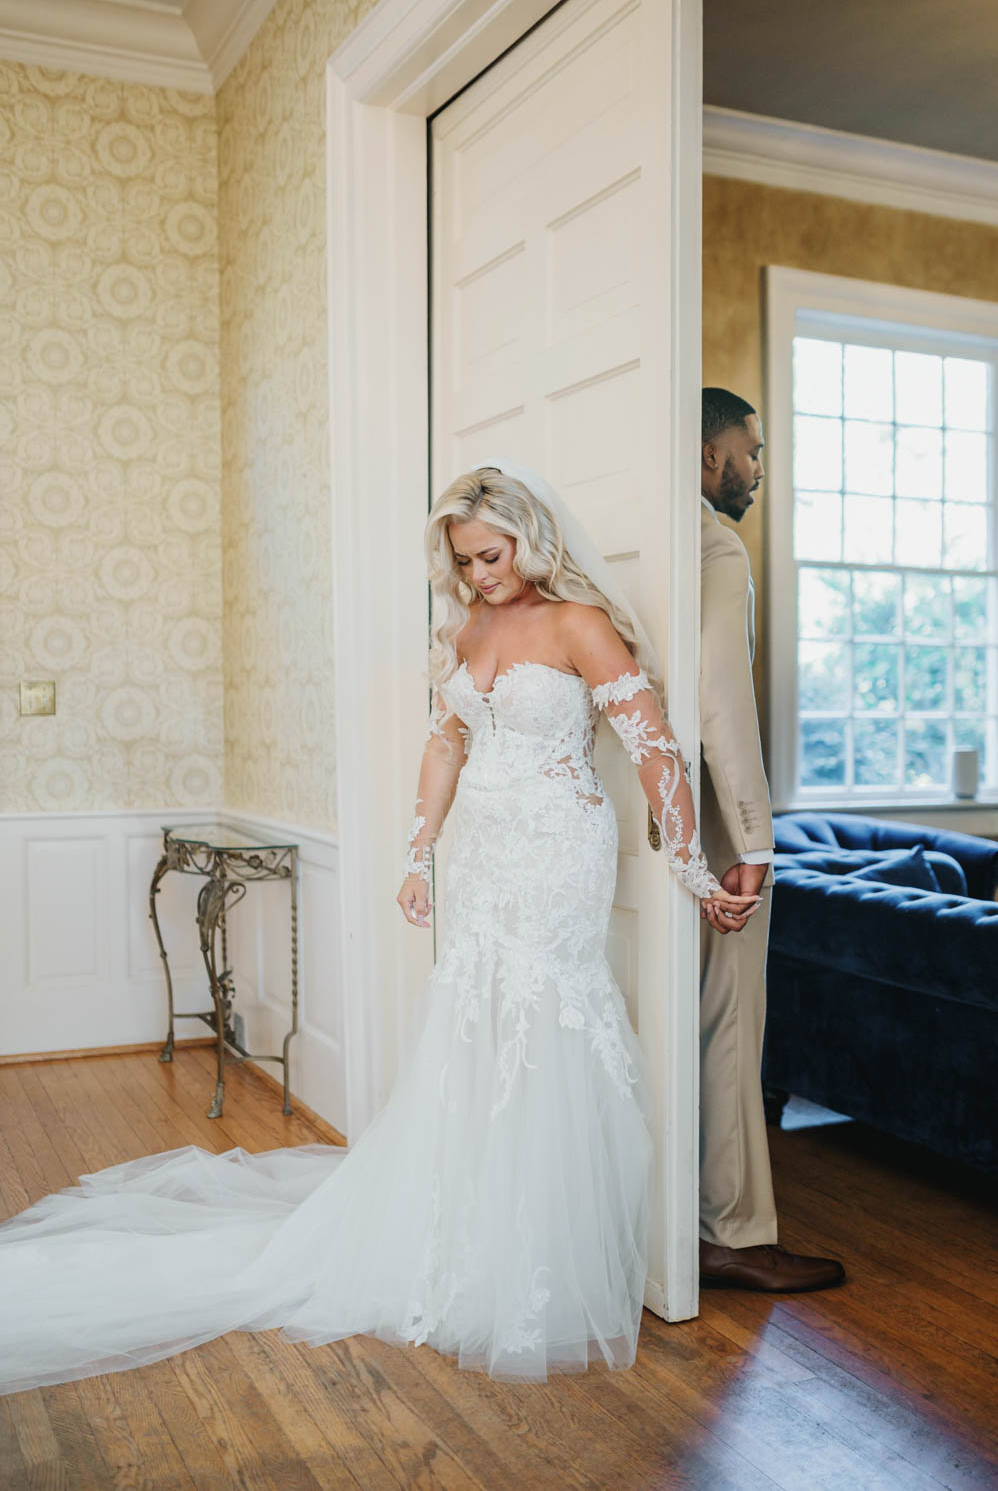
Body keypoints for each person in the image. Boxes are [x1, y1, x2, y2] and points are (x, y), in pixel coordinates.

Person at [0, 458, 758, 1395]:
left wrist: (688, 867)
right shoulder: (470, 626)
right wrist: (416, 852)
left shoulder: (579, 624)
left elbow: (651, 745)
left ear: (533, 536)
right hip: (481, 849)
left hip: (559, 845)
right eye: (465, 562)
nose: (480, 576)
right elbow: (446, 741)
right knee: (474, 1015)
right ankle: (462, 1226)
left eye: (492, 555)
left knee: (550, 1015)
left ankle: (541, 1249)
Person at [697, 389, 845, 1292]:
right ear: (709, 454)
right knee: (728, 1023)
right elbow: (722, 696)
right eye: (749, 452)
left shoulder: (633, 534)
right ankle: (737, 1237)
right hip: (714, 826)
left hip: (645, 823)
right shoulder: (714, 542)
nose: (757, 471)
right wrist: (756, 836)